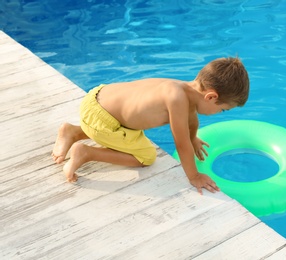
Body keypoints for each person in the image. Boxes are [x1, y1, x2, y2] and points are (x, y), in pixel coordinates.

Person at [52, 57, 249, 194]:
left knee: (127, 126)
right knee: (146, 156)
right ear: (211, 97)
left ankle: (73, 132)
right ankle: (86, 153)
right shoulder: (178, 100)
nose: (220, 113)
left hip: (95, 100)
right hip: (104, 123)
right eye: (223, 109)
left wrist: (194, 138)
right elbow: (181, 144)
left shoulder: (180, 89)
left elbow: (191, 120)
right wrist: (194, 175)